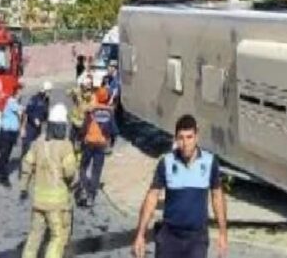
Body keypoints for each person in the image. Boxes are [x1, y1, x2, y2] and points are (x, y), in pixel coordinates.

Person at [132, 115, 227, 258]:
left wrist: (223, 233)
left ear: (196, 137)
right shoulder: (167, 162)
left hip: (196, 239)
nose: (185, 143)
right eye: (181, 138)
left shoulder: (209, 162)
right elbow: (152, 197)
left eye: (189, 137)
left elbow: (217, 196)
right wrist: (140, 234)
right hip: (169, 237)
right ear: (176, 139)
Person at [20, 103, 78, 258]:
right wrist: (75, 182)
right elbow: (70, 172)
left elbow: (27, 164)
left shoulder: (38, 142)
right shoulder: (65, 145)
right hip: (56, 203)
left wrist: (23, 187)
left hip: (38, 201)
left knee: (34, 236)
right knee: (57, 237)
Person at [77, 87, 118, 208]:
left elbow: (84, 127)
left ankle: (84, 187)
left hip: (88, 142)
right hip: (101, 144)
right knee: (96, 170)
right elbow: (114, 131)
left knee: (83, 167)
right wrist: (111, 144)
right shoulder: (109, 112)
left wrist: (80, 139)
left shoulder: (91, 110)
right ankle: (91, 196)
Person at [0, 84, 24, 187]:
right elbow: (21, 111)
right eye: (20, 92)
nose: (21, 94)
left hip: (12, 133)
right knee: (4, 156)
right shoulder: (11, 102)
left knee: (5, 156)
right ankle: (3, 178)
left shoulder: (15, 102)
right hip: (6, 133)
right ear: (16, 93)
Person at [22, 81, 53, 156]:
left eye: (50, 91)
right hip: (30, 126)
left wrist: (47, 120)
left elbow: (45, 113)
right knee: (27, 147)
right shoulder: (34, 99)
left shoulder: (46, 100)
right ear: (44, 90)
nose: (49, 93)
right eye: (48, 91)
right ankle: (24, 161)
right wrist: (34, 119)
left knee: (36, 147)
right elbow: (27, 111)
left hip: (38, 127)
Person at [68, 76, 94, 154]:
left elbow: (90, 108)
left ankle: (82, 152)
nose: (87, 88)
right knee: (72, 137)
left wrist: (84, 99)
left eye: (89, 86)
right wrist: (75, 91)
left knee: (82, 138)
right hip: (75, 119)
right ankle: (72, 150)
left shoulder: (90, 95)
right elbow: (68, 93)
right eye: (86, 86)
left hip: (83, 121)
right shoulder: (78, 92)